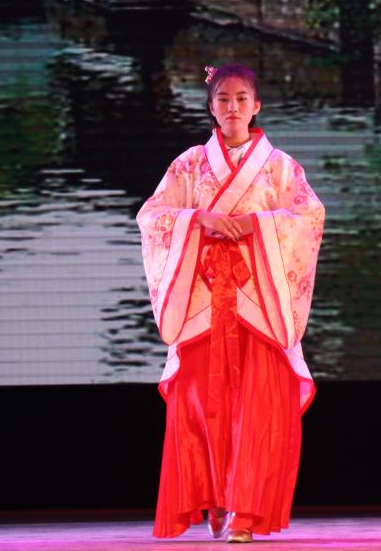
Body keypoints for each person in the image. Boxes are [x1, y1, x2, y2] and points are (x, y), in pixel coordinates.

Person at [137, 64, 324, 543]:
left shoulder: (280, 167)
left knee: (258, 412)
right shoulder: (188, 165)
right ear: (211, 106)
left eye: (242, 98)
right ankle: (215, 497)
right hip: (203, 301)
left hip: (259, 302)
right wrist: (197, 219)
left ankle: (245, 513)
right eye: (223, 98)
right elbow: (152, 215)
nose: (233, 107)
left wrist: (255, 225)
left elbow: (309, 216)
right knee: (200, 408)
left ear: (256, 106)